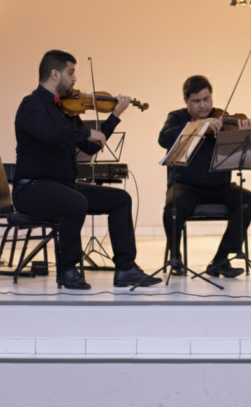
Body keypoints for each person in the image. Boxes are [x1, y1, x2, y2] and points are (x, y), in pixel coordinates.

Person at [12, 50, 161, 290]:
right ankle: (67, 269)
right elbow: (50, 133)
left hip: (63, 187)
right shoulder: (31, 105)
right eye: (71, 73)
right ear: (54, 74)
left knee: (120, 199)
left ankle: (125, 269)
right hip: (32, 189)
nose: (74, 79)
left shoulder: (66, 109)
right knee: (74, 202)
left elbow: (90, 146)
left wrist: (114, 116)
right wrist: (86, 131)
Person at [158, 75, 251, 278]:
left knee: (248, 200)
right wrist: (200, 125)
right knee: (173, 206)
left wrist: (243, 136)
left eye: (206, 99)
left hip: (220, 186)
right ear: (186, 101)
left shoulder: (223, 120)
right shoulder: (177, 117)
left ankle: (220, 259)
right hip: (186, 186)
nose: (203, 105)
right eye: (196, 101)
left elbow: (240, 157)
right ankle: (175, 257)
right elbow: (164, 139)